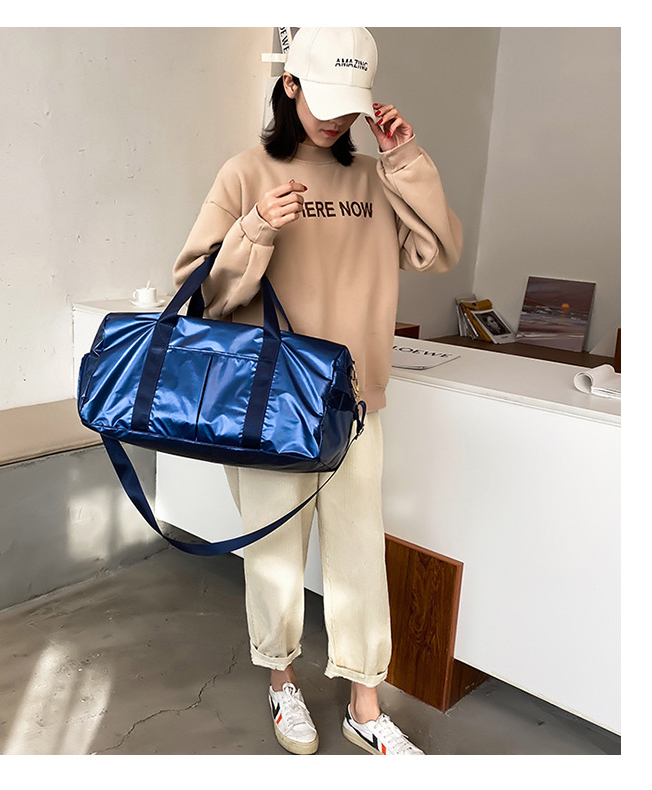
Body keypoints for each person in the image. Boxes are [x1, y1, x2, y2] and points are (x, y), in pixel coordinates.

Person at [173, 27, 462, 755]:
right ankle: (282, 682)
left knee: (360, 552)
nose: (335, 119)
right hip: (268, 404)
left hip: (354, 403)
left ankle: (366, 703)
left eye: (349, 105)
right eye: (323, 99)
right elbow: (200, 297)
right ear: (291, 84)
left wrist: (405, 160)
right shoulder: (245, 172)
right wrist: (254, 230)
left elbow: (438, 251)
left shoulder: (376, 177)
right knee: (274, 551)